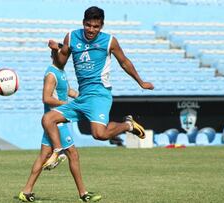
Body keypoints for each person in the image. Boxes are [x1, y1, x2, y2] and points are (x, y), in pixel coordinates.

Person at [42, 6, 154, 169]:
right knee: (48, 119)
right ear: (83, 23)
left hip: (99, 94)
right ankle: (58, 151)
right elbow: (61, 62)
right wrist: (57, 49)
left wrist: (141, 82)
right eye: (88, 25)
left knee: (99, 134)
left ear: (101, 26)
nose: (91, 30)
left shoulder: (109, 41)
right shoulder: (72, 37)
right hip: (82, 97)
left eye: (96, 26)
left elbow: (124, 62)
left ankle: (128, 125)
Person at [18, 48, 102, 202]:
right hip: (55, 122)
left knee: (43, 155)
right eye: (61, 55)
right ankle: (84, 194)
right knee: (73, 155)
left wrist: (78, 96)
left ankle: (26, 191)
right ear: (53, 56)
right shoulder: (51, 74)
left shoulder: (61, 72)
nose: (65, 57)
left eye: (66, 55)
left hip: (55, 121)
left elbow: (65, 90)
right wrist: (67, 105)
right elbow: (46, 98)